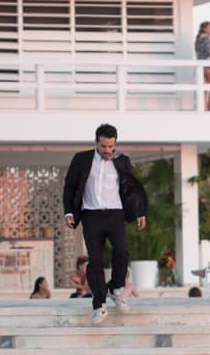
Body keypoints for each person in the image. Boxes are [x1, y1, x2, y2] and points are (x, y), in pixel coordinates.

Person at [63, 123, 148, 325]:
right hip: (91, 215)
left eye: (111, 146)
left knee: (121, 252)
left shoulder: (122, 161)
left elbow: (132, 188)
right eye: (103, 146)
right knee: (96, 259)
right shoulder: (81, 159)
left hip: (116, 214)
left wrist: (139, 212)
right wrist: (68, 211)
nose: (107, 151)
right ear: (96, 143)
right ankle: (99, 305)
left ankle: (116, 288)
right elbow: (70, 186)